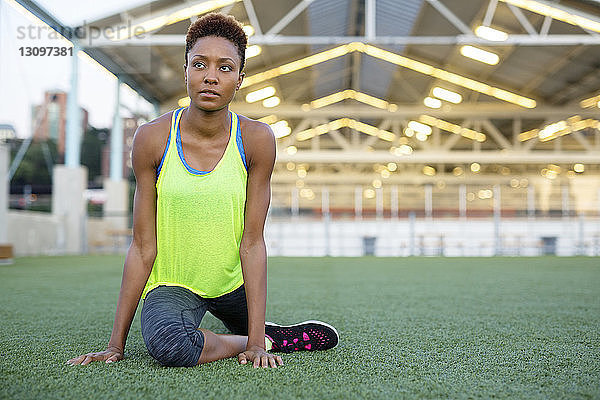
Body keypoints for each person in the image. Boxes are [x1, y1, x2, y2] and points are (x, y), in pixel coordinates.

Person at [67, 13, 338, 369]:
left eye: (225, 68)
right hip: (173, 285)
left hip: (232, 284)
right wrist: (115, 345)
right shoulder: (151, 139)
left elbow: (253, 242)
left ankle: (261, 335)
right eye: (200, 65)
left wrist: (258, 344)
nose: (211, 76)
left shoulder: (257, 140)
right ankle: (265, 339)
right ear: (186, 71)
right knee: (171, 345)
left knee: (253, 331)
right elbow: (143, 246)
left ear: (239, 80)